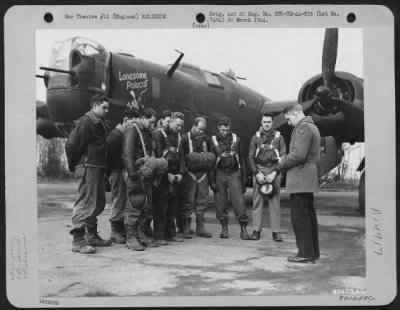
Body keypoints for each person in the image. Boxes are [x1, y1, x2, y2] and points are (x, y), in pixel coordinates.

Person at [65, 94, 112, 254]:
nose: (106, 111)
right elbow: (72, 145)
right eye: (104, 107)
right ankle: (78, 240)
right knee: (85, 204)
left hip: (98, 168)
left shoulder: (100, 124)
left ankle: (91, 235)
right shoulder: (85, 122)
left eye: (107, 108)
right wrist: (75, 166)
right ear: (94, 106)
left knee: (97, 204)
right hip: (88, 167)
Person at [278, 103, 321, 264]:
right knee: (309, 216)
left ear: (295, 114)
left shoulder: (303, 128)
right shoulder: (312, 126)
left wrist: (281, 162)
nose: (288, 123)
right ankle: (312, 252)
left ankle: (305, 254)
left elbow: (298, 155)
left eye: (288, 119)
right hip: (307, 177)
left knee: (300, 218)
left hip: (301, 177)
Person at [122, 108, 159, 251]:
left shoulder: (146, 132)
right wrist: (132, 175)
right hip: (136, 174)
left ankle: (141, 234)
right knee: (135, 204)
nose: (152, 125)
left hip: (146, 174)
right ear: (143, 117)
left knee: (146, 205)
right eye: (151, 122)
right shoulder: (132, 130)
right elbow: (127, 153)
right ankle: (130, 238)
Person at [210, 117, 250, 240]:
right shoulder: (213, 140)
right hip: (219, 173)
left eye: (227, 129)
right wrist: (212, 181)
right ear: (219, 128)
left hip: (234, 172)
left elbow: (242, 160)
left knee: (239, 202)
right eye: (223, 130)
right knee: (220, 202)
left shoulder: (236, 140)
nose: (225, 132)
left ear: (230, 127)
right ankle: (224, 229)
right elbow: (211, 162)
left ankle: (243, 229)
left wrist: (244, 180)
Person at [248, 113, 286, 242]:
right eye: (264, 122)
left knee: (274, 201)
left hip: (274, 169)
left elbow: (283, 157)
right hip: (259, 169)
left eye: (269, 122)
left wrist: (275, 173)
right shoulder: (256, 138)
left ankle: (276, 232)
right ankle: (256, 230)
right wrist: (256, 173)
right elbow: (251, 157)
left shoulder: (279, 138)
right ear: (261, 123)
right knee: (257, 201)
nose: (267, 124)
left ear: (273, 122)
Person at [106, 109, 139, 244]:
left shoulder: (122, 135)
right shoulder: (115, 136)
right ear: (125, 120)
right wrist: (111, 175)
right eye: (132, 124)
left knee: (122, 200)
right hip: (116, 172)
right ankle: (115, 231)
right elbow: (108, 158)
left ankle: (119, 229)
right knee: (118, 201)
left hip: (120, 172)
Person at [153, 112, 185, 244]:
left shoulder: (178, 136)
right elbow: (158, 156)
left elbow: (182, 156)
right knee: (161, 207)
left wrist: (181, 173)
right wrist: (167, 174)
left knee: (173, 207)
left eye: (181, 126)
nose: (179, 128)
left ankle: (171, 234)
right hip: (163, 176)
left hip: (176, 176)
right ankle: (159, 236)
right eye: (177, 125)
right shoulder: (159, 135)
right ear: (170, 122)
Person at [180, 117, 213, 238]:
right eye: (199, 129)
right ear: (194, 126)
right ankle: (186, 227)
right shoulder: (184, 138)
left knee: (202, 201)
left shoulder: (207, 139)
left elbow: (210, 156)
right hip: (189, 174)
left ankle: (200, 227)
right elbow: (181, 157)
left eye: (203, 130)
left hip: (203, 174)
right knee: (187, 201)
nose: (201, 132)